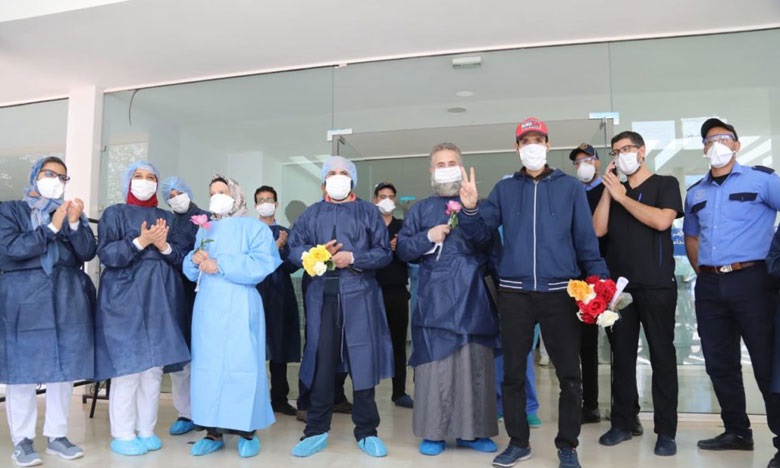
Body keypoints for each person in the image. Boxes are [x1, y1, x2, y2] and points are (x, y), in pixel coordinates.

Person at [458, 117, 609, 468]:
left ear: (548, 145)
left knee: (569, 374)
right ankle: (518, 442)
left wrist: (600, 282)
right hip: (515, 294)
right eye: (525, 141)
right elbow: (480, 235)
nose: (532, 146)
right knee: (513, 373)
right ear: (517, 148)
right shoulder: (505, 188)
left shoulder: (570, 188)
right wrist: (470, 208)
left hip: (560, 293)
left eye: (538, 140)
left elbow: (586, 242)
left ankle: (567, 446)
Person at [684, 118, 780, 468]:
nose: (717, 145)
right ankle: (737, 431)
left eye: (724, 138)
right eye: (710, 140)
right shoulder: (695, 191)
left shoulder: (763, 180)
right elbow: (691, 236)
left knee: (767, 364)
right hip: (710, 284)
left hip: (753, 280)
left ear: (737, 145)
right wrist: (704, 272)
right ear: (704, 149)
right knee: (719, 362)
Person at [397, 143, 500, 456]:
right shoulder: (419, 210)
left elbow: (488, 244)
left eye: (451, 163)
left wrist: (470, 211)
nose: (446, 169)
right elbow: (404, 250)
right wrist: (427, 237)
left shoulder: (483, 206)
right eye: (440, 164)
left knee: (474, 367)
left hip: (473, 298)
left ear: (462, 166)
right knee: (435, 369)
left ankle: (474, 432)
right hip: (434, 300)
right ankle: (435, 432)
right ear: (431, 171)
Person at [288, 155, 393, 458]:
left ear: (353, 179)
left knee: (362, 360)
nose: (337, 177)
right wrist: (316, 254)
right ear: (324, 181)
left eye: (343, 172)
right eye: (331, 172)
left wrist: (353, 258)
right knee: (322, 362)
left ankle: (367, 430)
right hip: (323, 294)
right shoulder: (311, 214)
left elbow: (384, 253)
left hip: (360, 293)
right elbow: (294, 249)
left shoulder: (368, 212)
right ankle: (316, 429)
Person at [0, 156, 97, 466]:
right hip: (24, 297)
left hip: (65, 297)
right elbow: (10, 250)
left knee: (62, 369)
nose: (55, 180)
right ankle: (23, 441)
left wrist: (73, 223)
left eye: (62, 177)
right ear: (35, 175)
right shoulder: (10, 210)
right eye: (49, 173)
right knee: (22, 372)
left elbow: (87, 252)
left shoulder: (68, 212)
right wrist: (52, 227)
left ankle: (57, 436)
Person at [592, 131, 682, 456]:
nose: (622, 156)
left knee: (662, 357)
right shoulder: (615, 191)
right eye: (616, 152)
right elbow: (597, 229)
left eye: (627, 149)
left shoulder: (665, 184)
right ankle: (622, 423)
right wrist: (609, 191)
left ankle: (666, 432)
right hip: (621, 291)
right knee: (622, 358)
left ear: (642, 151)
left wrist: (623, 198)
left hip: (657, 286)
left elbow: (661, 221)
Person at [95, 160, 190, 456]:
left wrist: (162, 246)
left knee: (153, 369)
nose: (145, 181)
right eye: (138, 176)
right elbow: (107, 254)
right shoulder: (114, 213)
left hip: (160, 296)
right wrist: (140, 241)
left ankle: (146, 430)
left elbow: (182, 258)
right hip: (123, 297)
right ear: (128, 181)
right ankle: (123, 434)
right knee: (128, 368)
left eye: (151, 177)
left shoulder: (167, 217)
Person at [183, 174, 281, 458]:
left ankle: (246, 431)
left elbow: (263, 263)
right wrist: (194, 260)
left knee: (242, 365)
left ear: (236, 194)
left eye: (223, 191)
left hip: (240, 304)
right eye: (213, 192)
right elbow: (192, 270)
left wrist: (221, 264)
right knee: (209, 368)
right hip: (208, 307)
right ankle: (212, 431)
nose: (217, 197)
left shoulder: (255, 228)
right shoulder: (205, 229)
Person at [159, 176, 210, 436]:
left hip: (203, 291)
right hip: (174, 293)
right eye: (170, 196)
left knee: (205, 354)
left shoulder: (207, 220)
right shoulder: (166, 222)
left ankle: (208, 411)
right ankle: (186, 413)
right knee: (180, 358)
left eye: (179, 192)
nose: (176, 198)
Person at [254, 185, 302, 416]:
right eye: (261, 200)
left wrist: (282, 249)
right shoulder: (250, 231)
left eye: (269, 199)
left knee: (279, 347)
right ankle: (255, 399)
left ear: (276, 204)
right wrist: (273, 248)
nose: (265, 203)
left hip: (280, 293)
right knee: (253, 346)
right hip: (254, 291)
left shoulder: (286, 233)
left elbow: (292, 266)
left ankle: (279, 398)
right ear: (255, 205)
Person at [570, 144, 605, 424]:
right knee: (586, 345)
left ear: (598, 162)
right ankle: (589, 404)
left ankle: (627, 410)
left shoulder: (609, 190)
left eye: (588, 159)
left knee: (621, 344)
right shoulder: (572, 193)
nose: (583, 165)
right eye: (578, 162)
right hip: (579, 280)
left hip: (607, 275)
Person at [373, 181, 413, 409]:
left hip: (397, 291)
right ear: (375, 200)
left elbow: (414, 255)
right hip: (371, 291)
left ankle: (399, 392)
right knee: (367, 343)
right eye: (382, 196)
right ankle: (364, 393)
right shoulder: (368, 226)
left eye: (390, 196)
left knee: (398, 344)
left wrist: (402, 246)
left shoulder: (403, 227)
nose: (386, 200)